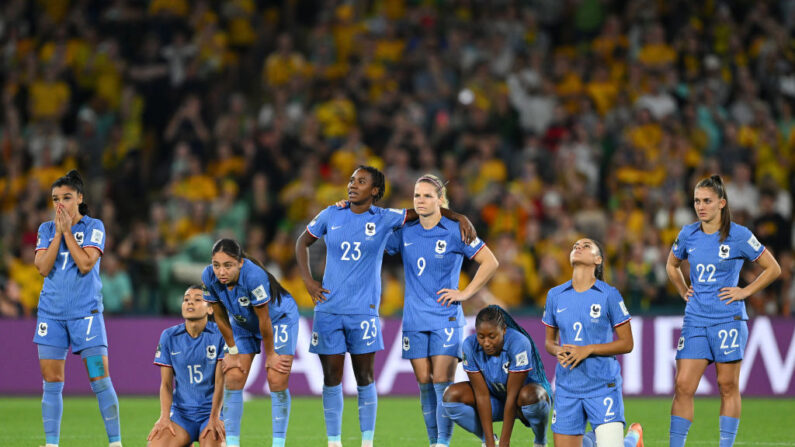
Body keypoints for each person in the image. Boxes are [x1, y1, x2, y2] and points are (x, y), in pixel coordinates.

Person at [295, 165, 476, 447]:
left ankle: (367, 443)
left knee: (365, 378)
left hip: (364, 312)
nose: (353, 184)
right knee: (332, 378)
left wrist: (458, 215)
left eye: (361, 181)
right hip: (328, 309)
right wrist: (308, 281)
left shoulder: (385, 218)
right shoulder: (331, 214)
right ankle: (334, 442)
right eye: (352, 179)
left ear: (375, 191)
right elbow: (302, 242)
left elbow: (427, 211)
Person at [384, 174, 499, 447]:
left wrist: (465, 293)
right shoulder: (406, 231)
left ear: (440, 200)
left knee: (441, 382)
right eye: (417, 195)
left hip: (445, 317)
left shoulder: (455, 230)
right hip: (413, 318)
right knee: (424, 383)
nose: (421, 200)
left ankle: (443, 443)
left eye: (427, 195)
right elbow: (380, 237)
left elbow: (490, 262)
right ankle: (436, 441)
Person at [666, 175, 781, 447]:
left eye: (707, 201)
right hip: (695, 318)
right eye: (697, 201)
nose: (701, 206)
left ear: (722, 203)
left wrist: (744, 291)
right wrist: (683, 290)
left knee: (727, 386)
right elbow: (672, 265)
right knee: (683, 385)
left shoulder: (739, 235)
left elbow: (773, 268)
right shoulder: (687, 234)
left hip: (727, 318)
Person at [33, 170, 123, 447]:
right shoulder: (46, 230)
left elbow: (86, 264)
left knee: (99, 379)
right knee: (52, 382)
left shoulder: (94, 227)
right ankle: (51, 444)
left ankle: (115, 443)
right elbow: (42, 267)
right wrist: (59, 234)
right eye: (55, 199)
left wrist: (67, 232)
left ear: (80, 198)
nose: (60, 204)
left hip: (86, 317)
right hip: (51, 316)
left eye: (67, 197)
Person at [542, 238, 644, 447]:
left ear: (597, 259)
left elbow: (627, 343)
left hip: (602, 385)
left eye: (585, 246)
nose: (577, 247)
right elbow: (549, 343)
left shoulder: (609, 295)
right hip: (567, 387)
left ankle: (632, 441)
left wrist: (588, 349)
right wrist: (557, 350)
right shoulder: (555, 295)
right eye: (575, 246)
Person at [202, 238, 299, 447]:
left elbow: (264, 320)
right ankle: (233, 443)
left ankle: (278, 444)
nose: (221, 272)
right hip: (242, 322)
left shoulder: (254, 276)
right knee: (234, 377)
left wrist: (271, 354)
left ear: (240, 263)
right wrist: (232, 350)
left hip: (278, 318)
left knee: (276, 378)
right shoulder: (208, 277)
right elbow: (219, 316)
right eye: (216, 265)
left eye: (227, 265)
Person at [441, 305, 551, 447]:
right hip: (495, 400)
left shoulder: (519, 343)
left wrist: (504, 444)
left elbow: (512, 396)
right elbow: (482, 395)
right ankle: (487, 439)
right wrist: (490, 443)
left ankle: (540, 441)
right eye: (481, 336)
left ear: (504, 330)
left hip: (523, 401)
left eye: (492, 336)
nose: (486, 343)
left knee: (531, 396)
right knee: (451, 396)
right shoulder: (469, 345)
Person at [147, 285, 226, 446]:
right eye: (186, 299)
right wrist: (164, 417)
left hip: (210, 413)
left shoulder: (220, 335)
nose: (190, 303)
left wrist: (215, 417)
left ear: (210, 309)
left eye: (198, 300)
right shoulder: (169, 336)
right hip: (181, 415)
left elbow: (220, 383)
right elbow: (166, 384)